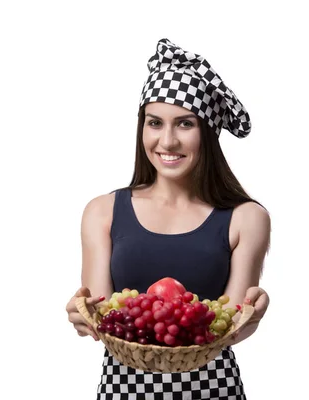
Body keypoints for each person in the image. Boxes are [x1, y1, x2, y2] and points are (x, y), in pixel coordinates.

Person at [65, 38, 272, 399]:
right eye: (155, 122)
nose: (168, 141)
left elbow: (231, 327)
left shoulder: (246, 218)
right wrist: (81, 315)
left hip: (213, 389)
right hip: (124, 390)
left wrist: (253, 314)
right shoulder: (102, 212)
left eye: (185, 124)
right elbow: (101, 316)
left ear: (207, 133)